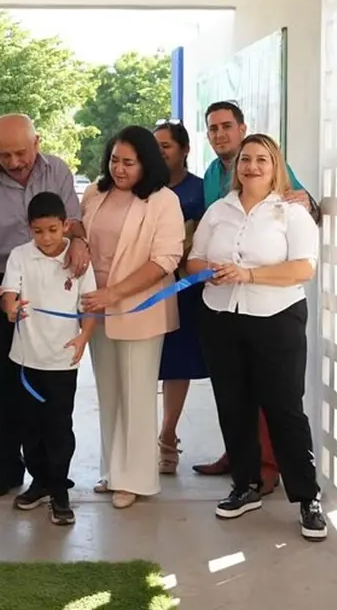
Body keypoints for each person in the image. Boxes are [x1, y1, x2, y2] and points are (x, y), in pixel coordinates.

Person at [187, 133, 326, 539]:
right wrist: (209, 268)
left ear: (275, 166)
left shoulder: (291, 213)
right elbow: (191, 260)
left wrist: (248, 274)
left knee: (285, 409)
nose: (251, 166)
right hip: (220, 316)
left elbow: (304, 269)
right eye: (245, 159)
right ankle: (245, 486)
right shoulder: (218, 211)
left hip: (276, 317)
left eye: (261, 160)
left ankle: (306, 497)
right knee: (233, 404)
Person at [0, 113, 90, 499]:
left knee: (51, 382)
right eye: (5, 155)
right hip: (4, 285)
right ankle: (6, 471)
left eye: (21, 153)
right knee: (5, 378)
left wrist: (79, 241)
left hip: (54, 284)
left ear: (38, 142)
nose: (14, 162)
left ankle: (51, 473)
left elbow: (74, 222)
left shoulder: (59, 171)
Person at [82, 125, 185, 509]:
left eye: (129, 162)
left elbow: (165, 259)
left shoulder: (163, 201)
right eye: (114, 161)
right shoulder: (96, 192)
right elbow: (80, 232)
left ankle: (136, 478)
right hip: (97, 309)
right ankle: (113, 470)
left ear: (147, 163)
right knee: (108, 391)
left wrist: (116, 293)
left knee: (137, 393)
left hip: (139, 309)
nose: (120, 169)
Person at [0, 192, 98, 526]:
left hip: (62, 360)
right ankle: (39, 481)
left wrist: (84, 336)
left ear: (66, 226)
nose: (46, 238)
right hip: (27, 358)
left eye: (53, 230)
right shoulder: (19, 257)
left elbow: (89, 306)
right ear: (29, 229)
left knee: (58, 426)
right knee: (29, 426)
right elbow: (8, 296)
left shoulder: (79, 260)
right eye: (39, 231)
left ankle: (59, 489)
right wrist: (11, 309)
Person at [152, 121, 206, 474]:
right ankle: (136, 443)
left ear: (185, 150)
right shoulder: (143, 188)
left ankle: (167, 436)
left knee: (176, 367)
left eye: (166, 146)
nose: (159, 152)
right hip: (143, 290)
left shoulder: (201, 190)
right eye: (154, 146)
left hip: (185, 291)